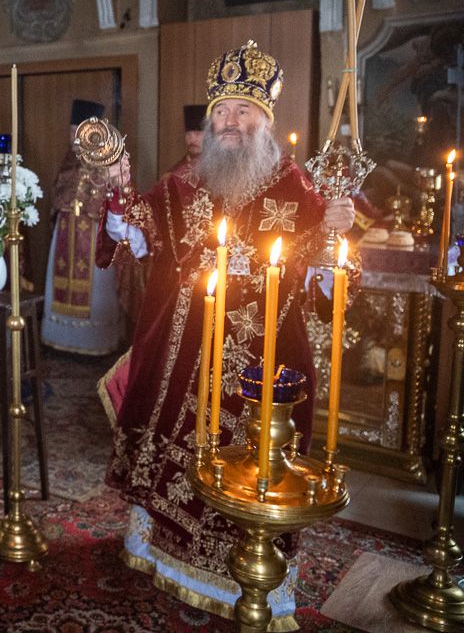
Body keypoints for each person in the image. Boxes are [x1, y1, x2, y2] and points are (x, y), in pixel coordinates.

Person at [101, 41, 354, 628]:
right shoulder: (184, 184)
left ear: (265, 120)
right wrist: (116, 191)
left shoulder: (298, 189)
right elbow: (137, 228)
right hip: (183, 357)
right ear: (210, 122)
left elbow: (328, 278)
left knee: (254, 465)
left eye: (244, 110)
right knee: (176, 457)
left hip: (262, 361)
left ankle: (249, 572)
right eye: (222, 112)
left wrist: (335, 232)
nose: (231, 121)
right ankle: (163, 554)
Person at [41, 99, 124, 355]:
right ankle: (61, 338)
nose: (74, 137)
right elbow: (59, 192)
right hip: (66, 230)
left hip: (94, 232)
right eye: (71, 131)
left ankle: (93, 341)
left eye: (79, 131)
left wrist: (91, 205)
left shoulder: (109, 160)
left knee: (96, 287)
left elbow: (116, 196)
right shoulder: (69, 160)